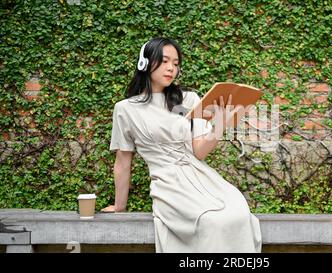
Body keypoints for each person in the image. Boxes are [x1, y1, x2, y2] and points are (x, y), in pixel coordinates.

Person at [101, 37, 262, 253]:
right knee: (212, 222)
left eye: (176, 64)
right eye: (165, 61)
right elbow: (123, 161)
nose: (171, 68)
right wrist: (119, 206)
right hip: (168, 185)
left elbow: (199, 152)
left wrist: (219, 125)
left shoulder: (188, 100)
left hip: (203, 178)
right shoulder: (125, 109)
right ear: (145, 63)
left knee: (239, 213)